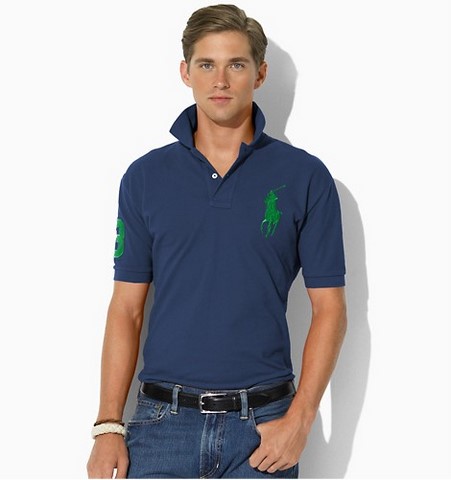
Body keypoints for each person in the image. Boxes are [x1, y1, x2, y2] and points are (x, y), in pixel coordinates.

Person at [87, 4, 347, 479]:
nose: (221, 80)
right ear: (185, 72)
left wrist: (301, 420)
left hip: (264, 429)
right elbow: (126, 308)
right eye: (206, 64)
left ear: (260, 74)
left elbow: (330, 308)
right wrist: (108, 426)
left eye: (236, 64)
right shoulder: (145, 177)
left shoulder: (305, 177)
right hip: (161, 427)